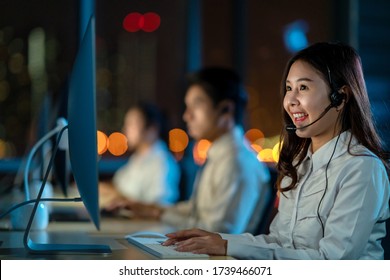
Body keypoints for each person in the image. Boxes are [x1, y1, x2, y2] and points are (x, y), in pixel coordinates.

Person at [162, 42, 390, 259]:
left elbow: (331, 262)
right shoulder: (301, 163)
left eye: (303, 87)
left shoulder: (361, 168)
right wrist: (220, 241)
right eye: (289, 88)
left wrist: (227, 245)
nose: (290, 100)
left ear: (340, 98)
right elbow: (279, 242)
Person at [106, 67, 272, 234]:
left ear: (226, 110)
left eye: (196, 105)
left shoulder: (236, 161)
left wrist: (157, 213)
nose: (187, 115)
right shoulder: (220, 155)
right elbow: (196, 210)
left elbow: (218, 233)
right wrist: (151, 210)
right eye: (187, 106)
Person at [99, 102, 180, 207]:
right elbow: (120, 186)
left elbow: (161, 207)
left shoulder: (163, 163)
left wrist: (116, 195)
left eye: (131, 124)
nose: (125, 129)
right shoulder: (138, 158)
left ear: (152, 129)